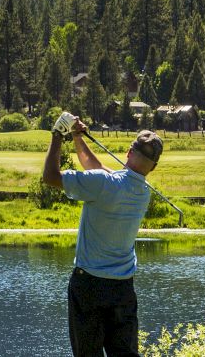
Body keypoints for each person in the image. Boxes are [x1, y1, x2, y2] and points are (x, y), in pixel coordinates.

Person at [40, 119, 164, 357]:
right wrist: (78, 138)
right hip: (123, 289)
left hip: (89, 286)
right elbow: (97, 170)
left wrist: (57, 135)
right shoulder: (142, 193)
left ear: (128, 152)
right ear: (153, 167)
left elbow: (50, 177)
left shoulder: (103, 183)